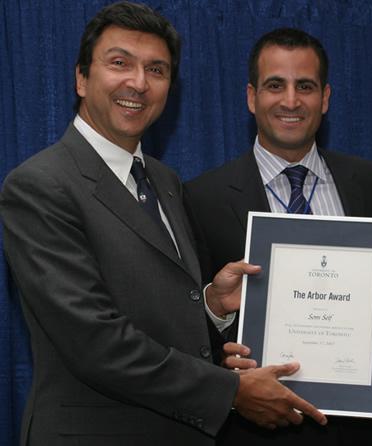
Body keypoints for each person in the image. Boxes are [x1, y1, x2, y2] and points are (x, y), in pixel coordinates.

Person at [0, 3, 326, 445]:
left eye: (156, 69)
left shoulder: (165, 181)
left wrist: (212, 303)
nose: (138, 82)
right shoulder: (39, 186)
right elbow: (96, 342)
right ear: (81, 77)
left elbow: (168, 314)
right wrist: (232, 392)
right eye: (120, 63)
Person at [184, 27, 372, 446]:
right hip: (254, 432)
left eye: (306, 86)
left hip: (360, 432)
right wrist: (215, 307)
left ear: (326, 98)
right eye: (275, 85)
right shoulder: (200, 197)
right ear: (251, 97)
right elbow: (183, 331)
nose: (291, 101)